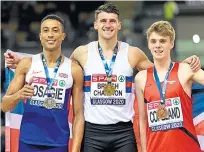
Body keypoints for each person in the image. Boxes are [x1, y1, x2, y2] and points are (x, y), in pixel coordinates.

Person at [4, 3, 201, 152]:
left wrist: (185, 66)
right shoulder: (82, 53)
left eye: (112, 21)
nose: (108, 25)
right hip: (92, 133)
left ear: (119, 25)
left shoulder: (133, 53)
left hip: (124, 133)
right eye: (103, 21)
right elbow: (56, 65)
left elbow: (162, 73)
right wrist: (23, 61)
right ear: (96, 24)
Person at [2, 14, 84, 152]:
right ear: (40, 36)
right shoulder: (26, 64)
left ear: (63, 36)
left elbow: (79, 115)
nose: (50, 35)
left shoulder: (74, 70)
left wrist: (75, 150)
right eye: (46, 30)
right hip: (28, 141)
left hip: (58, 143)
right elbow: (4, 105)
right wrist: (19, 95)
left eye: (55, 30)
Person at [135, 20, 203, 152]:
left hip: (187, 148)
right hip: (156, 148)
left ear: (171, 43)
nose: (158, 45)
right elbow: (142, 122)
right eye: (153, 41)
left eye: (162, 41)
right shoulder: (141, 78)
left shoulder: (186, 70)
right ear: (148, 44)